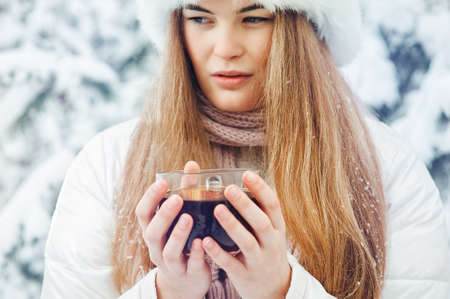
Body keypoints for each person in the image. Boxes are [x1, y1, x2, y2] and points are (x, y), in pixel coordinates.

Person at [40, 0, 450, 298]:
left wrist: (283, 291)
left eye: (254, 17)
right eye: (200, 17)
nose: (225, 48)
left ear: (301, 27)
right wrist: (168, 293)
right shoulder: (108, 164)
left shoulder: (386, 168)